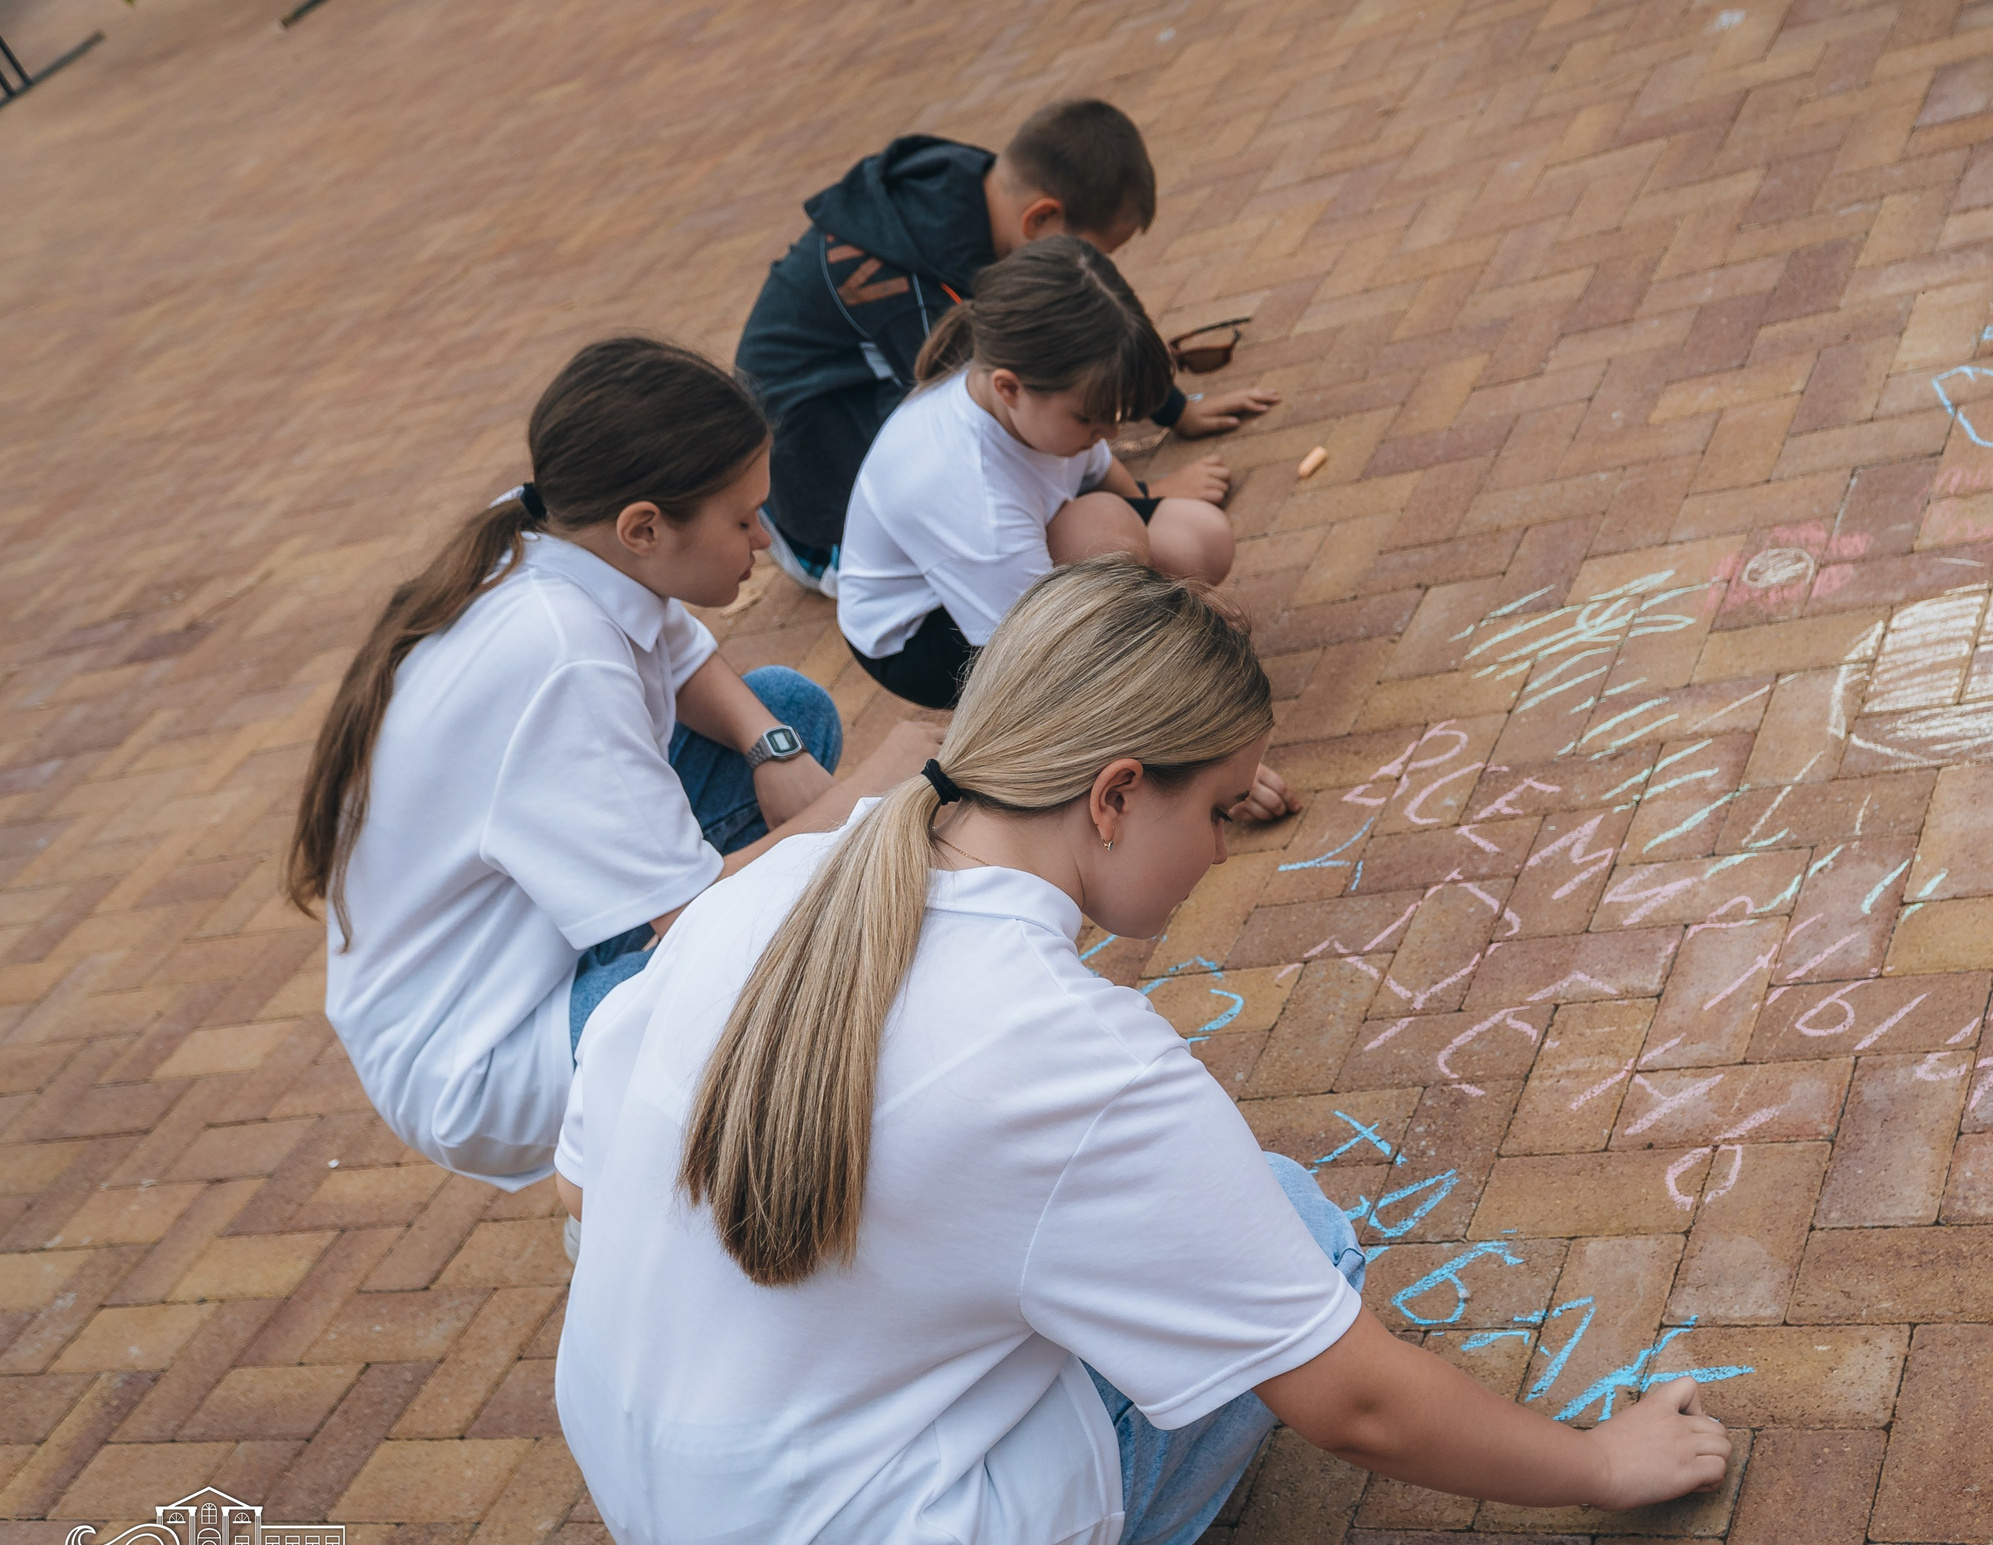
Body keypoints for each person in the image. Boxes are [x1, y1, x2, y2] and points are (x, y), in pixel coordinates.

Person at [551, 559, 1730, 1545]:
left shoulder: (775, 887)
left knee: (1097, 1253)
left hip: (650, 1485)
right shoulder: (1070, 1053)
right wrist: (1600, 1467)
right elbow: (1356, 1403)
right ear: (1113, 796)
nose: (1220, 848)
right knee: (1299, 1231)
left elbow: (579, 1197)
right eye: (1214, 808)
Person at [286, 336, 934, 1190]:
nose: (765, 538)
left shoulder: (550, 531)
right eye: (743, 519)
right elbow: (696, 916)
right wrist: (872, 793)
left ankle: (671, 1106)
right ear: (644, 528)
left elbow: (684, 656)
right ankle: (635, 1191)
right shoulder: (564, 657)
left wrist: (774, 748)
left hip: (518, 950)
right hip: (481, 1056)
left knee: (788, 709)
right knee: (784, 950)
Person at [734, 98, 1277, 596]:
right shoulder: (910, 293)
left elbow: (1083, 334)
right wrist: (1144, 494)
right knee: (1040, 464)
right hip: (820, 515)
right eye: (1092, 251)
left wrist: (1177, 410)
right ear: (1040, 218)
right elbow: (1005, 408)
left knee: (1050, 425)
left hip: (855, 411)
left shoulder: (979, 188)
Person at [836, 237, 1240, 706]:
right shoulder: (969, 492)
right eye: (1091, 419)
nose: (1109, 433)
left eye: (1116, 416)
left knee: (1200, 535)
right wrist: (1174, 643)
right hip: (926, 637)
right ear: (1009, 388)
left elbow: (1105, 476)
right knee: (1105, 530)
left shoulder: (1037, 397)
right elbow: (1030, 650)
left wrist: (1177, 599)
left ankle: (1132, 633)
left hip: (999, 573)